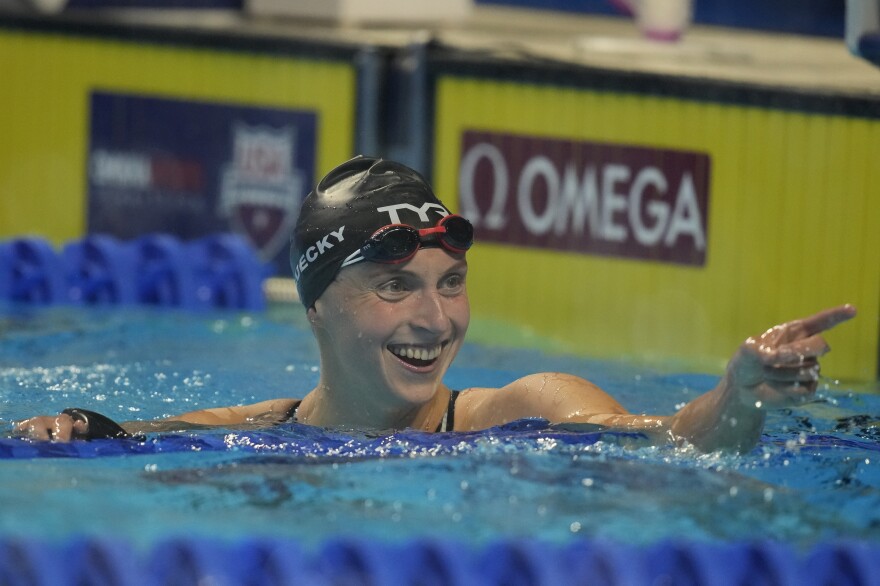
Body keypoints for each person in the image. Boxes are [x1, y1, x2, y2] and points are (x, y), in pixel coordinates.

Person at [14, 156, 856, 453]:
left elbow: (673, 440)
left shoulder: (526, 408)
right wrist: (71, 430)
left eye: (451, 282)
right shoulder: (262, 427)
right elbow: (134, 438)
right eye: (395, 286)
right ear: (316, 307)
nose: (436, 318)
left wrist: (739, 394)